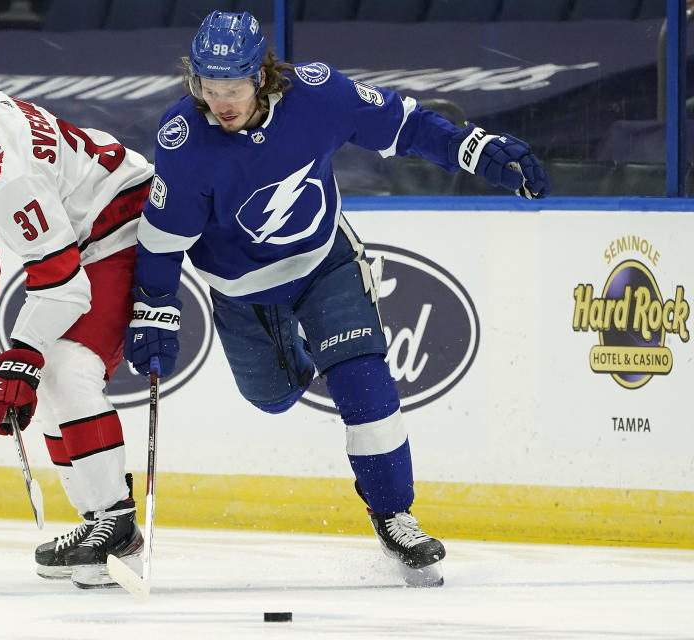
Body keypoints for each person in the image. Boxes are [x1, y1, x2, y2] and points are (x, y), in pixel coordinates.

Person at [124, 11, 549, 586]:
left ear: (261, 76)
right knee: (271, 399)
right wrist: (153, 305)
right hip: (242, 291)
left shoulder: (319, 94)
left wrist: (473, 149)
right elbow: (163, 238)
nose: (220, 102)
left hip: (324, 262)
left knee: (364, 378)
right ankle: (302, 348)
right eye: (209, 87)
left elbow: (407, 126)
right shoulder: (183, 137)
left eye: (233, 87)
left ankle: (394, 515)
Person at [0, 34, 154, 586]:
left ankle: (119, 529)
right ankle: (99, 518)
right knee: (46, 376)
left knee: (65, 368)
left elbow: (65, 287)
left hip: (120, 229)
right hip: (80, 228)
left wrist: (18, 360)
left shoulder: (13, 170)